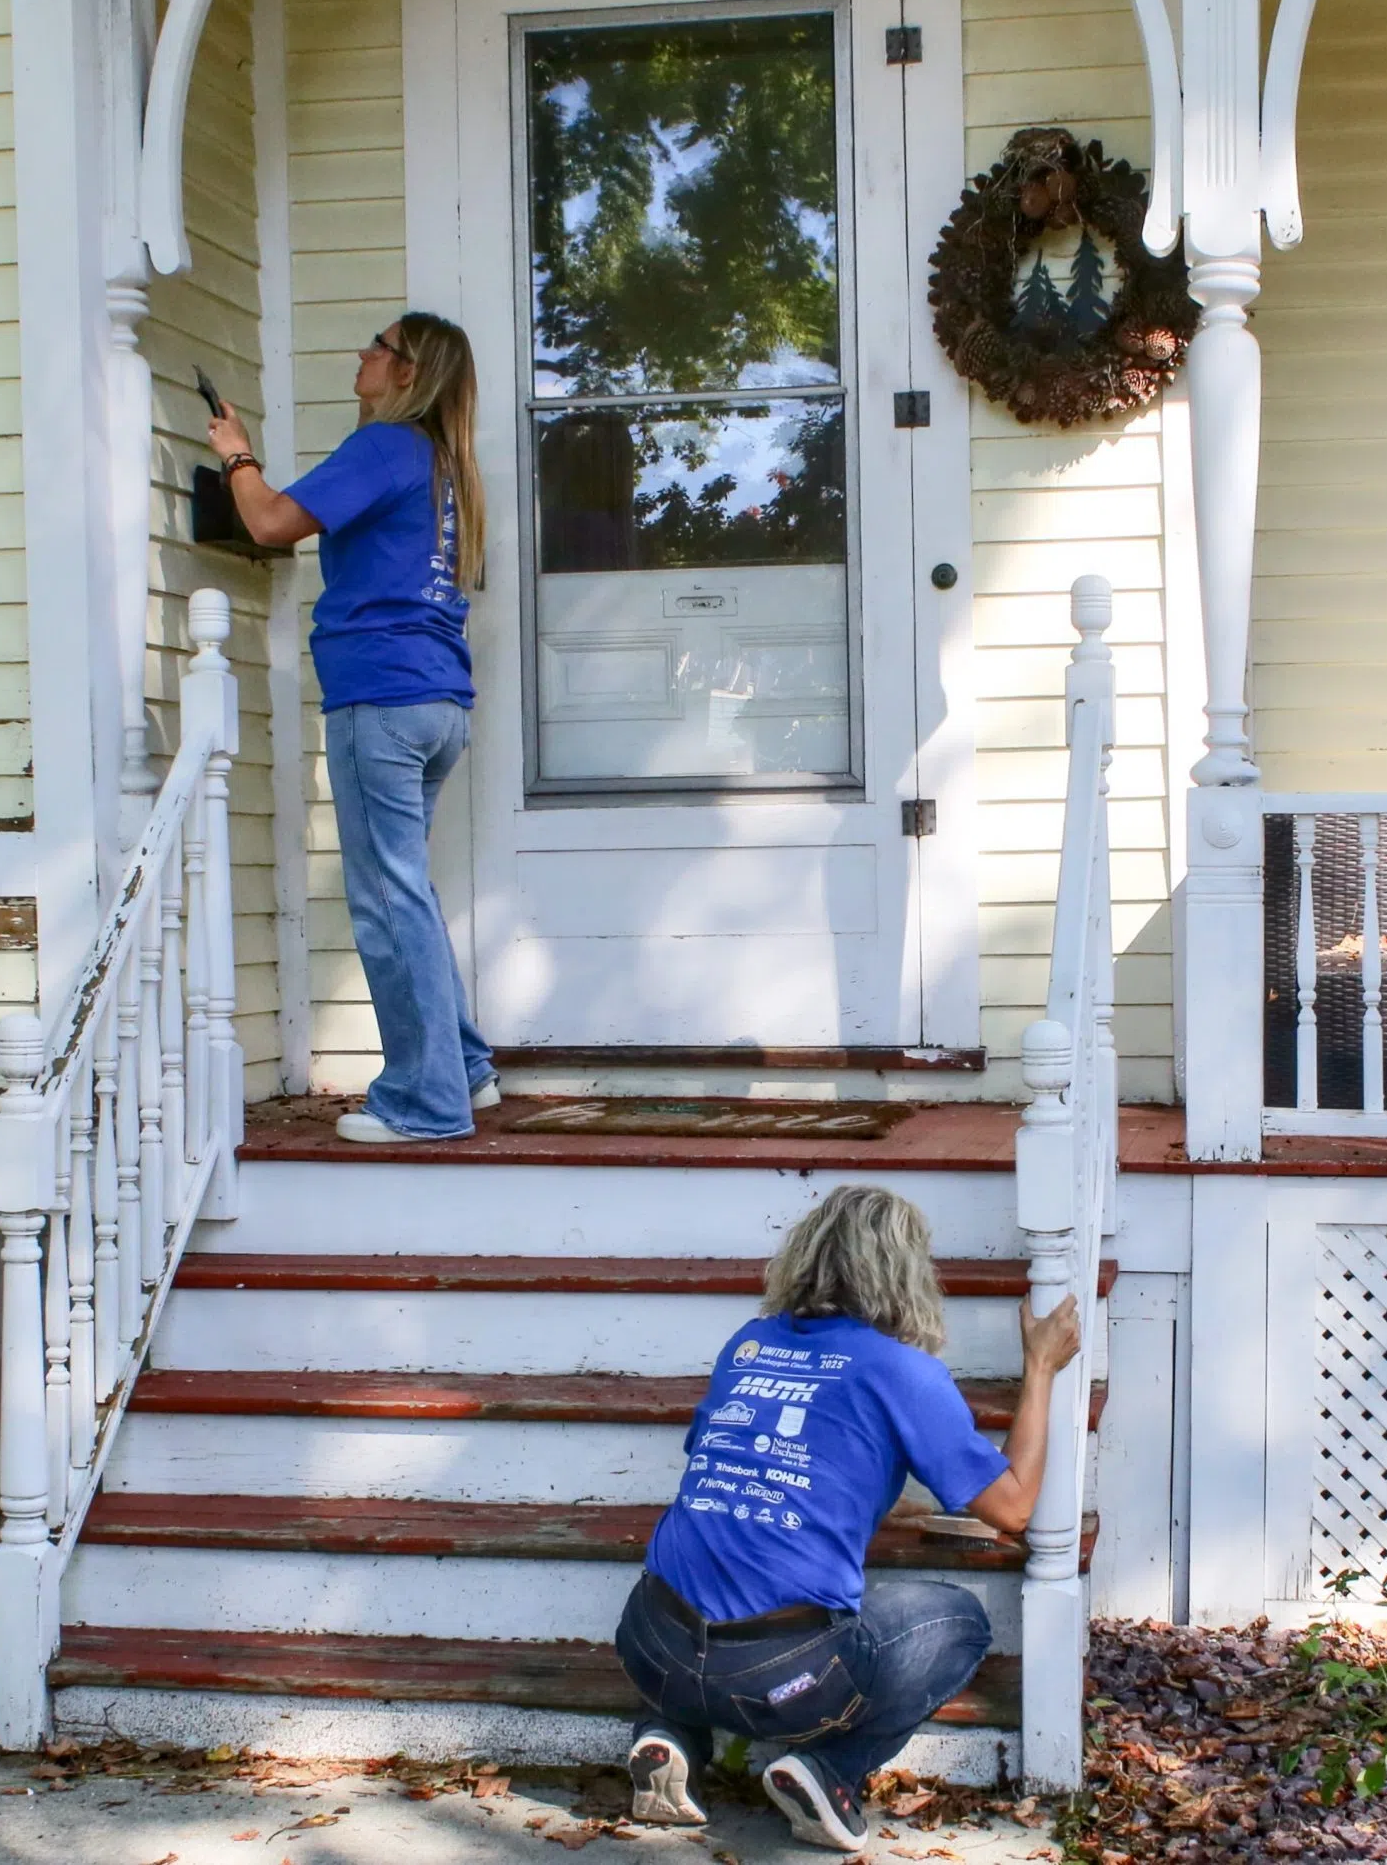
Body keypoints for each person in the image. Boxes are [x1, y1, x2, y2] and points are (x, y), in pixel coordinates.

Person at [610, 1185, 1083, 1850]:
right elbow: (1013, 1506)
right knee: (960, 1622)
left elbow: (740, 1468)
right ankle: (826, 1771)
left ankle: (668, 1737)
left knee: (697, 1635)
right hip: (783, 1677)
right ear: (904, 1274)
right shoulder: (900, 1370)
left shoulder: (749, 1344)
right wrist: (1039, 1367)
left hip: (647, 1641)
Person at [200, 312, 502, 1142]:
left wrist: (236, 452)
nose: (364, 354)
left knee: (384, 896)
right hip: (437, 704)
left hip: (381, 700)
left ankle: (425, 1101)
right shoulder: (445, 464)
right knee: (407, 888)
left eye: (381, 348)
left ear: (409, 375)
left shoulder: (387, 448)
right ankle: (465, 1070)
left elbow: (268, 522)